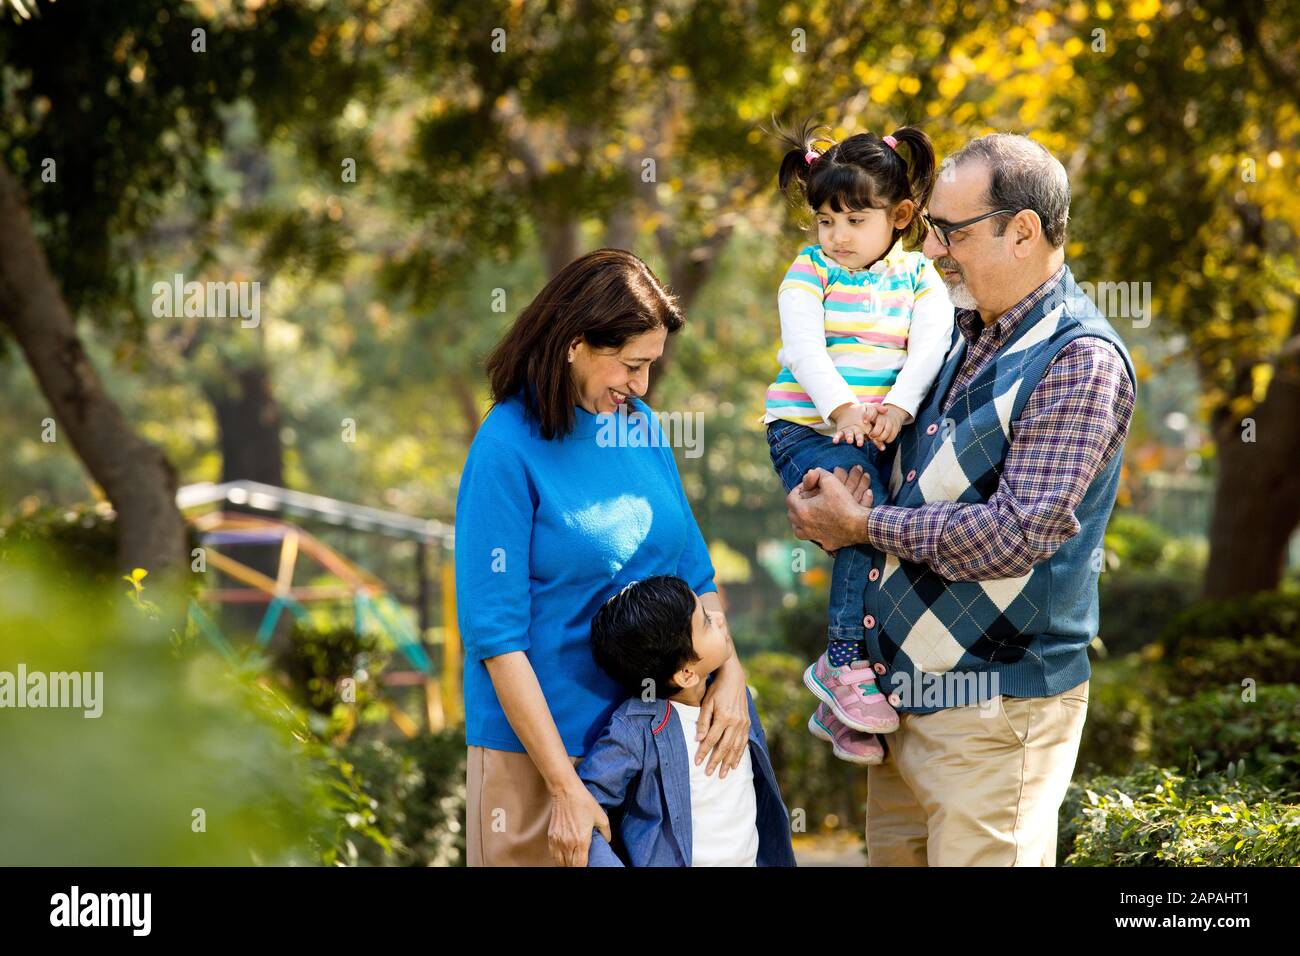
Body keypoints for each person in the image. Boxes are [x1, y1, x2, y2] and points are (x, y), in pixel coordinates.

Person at [785, 133, 1137, 866]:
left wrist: (862, 524)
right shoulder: (952, 337)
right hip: (900, 714)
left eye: (952, 231)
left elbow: (1019, 533)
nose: (932, 247)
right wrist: (828, 494)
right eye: (932, 229)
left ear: (1023, 231)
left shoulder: (1079, 360)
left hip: (997, 716)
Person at [455, 249, 752, 867]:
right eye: (630, 364)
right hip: (539, 761)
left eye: (650, 368)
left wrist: (732, 675)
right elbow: (495, 638)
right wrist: (565, 785)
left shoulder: (639, 428)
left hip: (652, 747)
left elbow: (695, 574)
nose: (641, 387)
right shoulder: (505, 448)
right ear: (574, 342)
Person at [762, 121, 955, 764]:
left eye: (854, 219)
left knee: (876, 533)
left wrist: (898, 406)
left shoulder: (921, 279)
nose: (837, 236)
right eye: (825, 221)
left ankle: (839, 709)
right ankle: (842, 660)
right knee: (857, 511)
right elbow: (804, 348)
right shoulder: (808, 272)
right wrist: (842, 406)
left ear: (900, 215)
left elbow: (929, 347)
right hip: (807, 429)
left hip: (875, 432)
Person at [579, 575, 796, 867]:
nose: (719, 617)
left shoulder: (736, 700)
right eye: (705, 621)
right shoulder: (635, 727)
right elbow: (584, 810)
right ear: (686, 674)